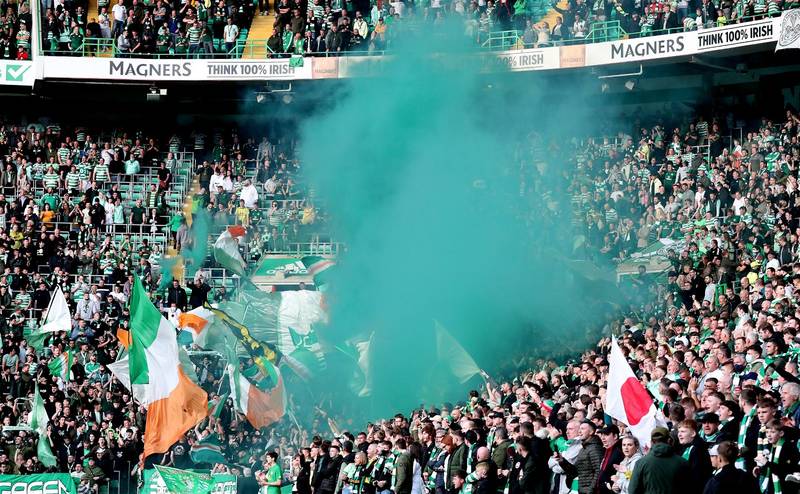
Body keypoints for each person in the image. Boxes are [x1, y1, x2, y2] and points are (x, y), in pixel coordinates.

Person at [628, 427, 690, 494]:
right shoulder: (682, 462)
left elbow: (633, 490)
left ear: (651, 442)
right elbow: (689, 489)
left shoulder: (641, 463)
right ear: (669, 440)